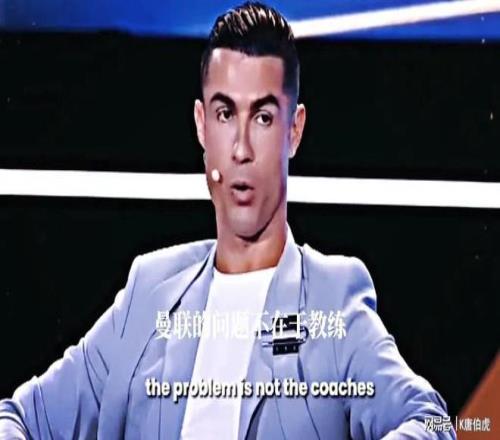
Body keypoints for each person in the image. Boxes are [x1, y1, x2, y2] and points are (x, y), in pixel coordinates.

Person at [0, 2, 455, 439]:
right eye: (224, 114)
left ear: (294, 130)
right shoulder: (150, 292)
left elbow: (431, 422)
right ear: (201, 124)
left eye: (262, 117)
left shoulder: (331, 299)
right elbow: (17, 418)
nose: (241, 149)